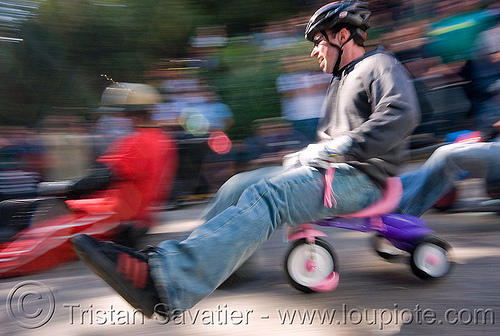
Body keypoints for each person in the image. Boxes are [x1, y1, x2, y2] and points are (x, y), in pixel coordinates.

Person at [71, 1, 420, 319]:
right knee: (237, 185)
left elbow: (402, 113)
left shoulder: (379, 64)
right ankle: (224, 267)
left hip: (361, 179)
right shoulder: (338, 80)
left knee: (269, 195)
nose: (314, 50)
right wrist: (310, 153)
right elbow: (329, 143)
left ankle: (165, 279)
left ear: (343, 36)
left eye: (319, 41)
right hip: (329, 170)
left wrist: (340, 147)